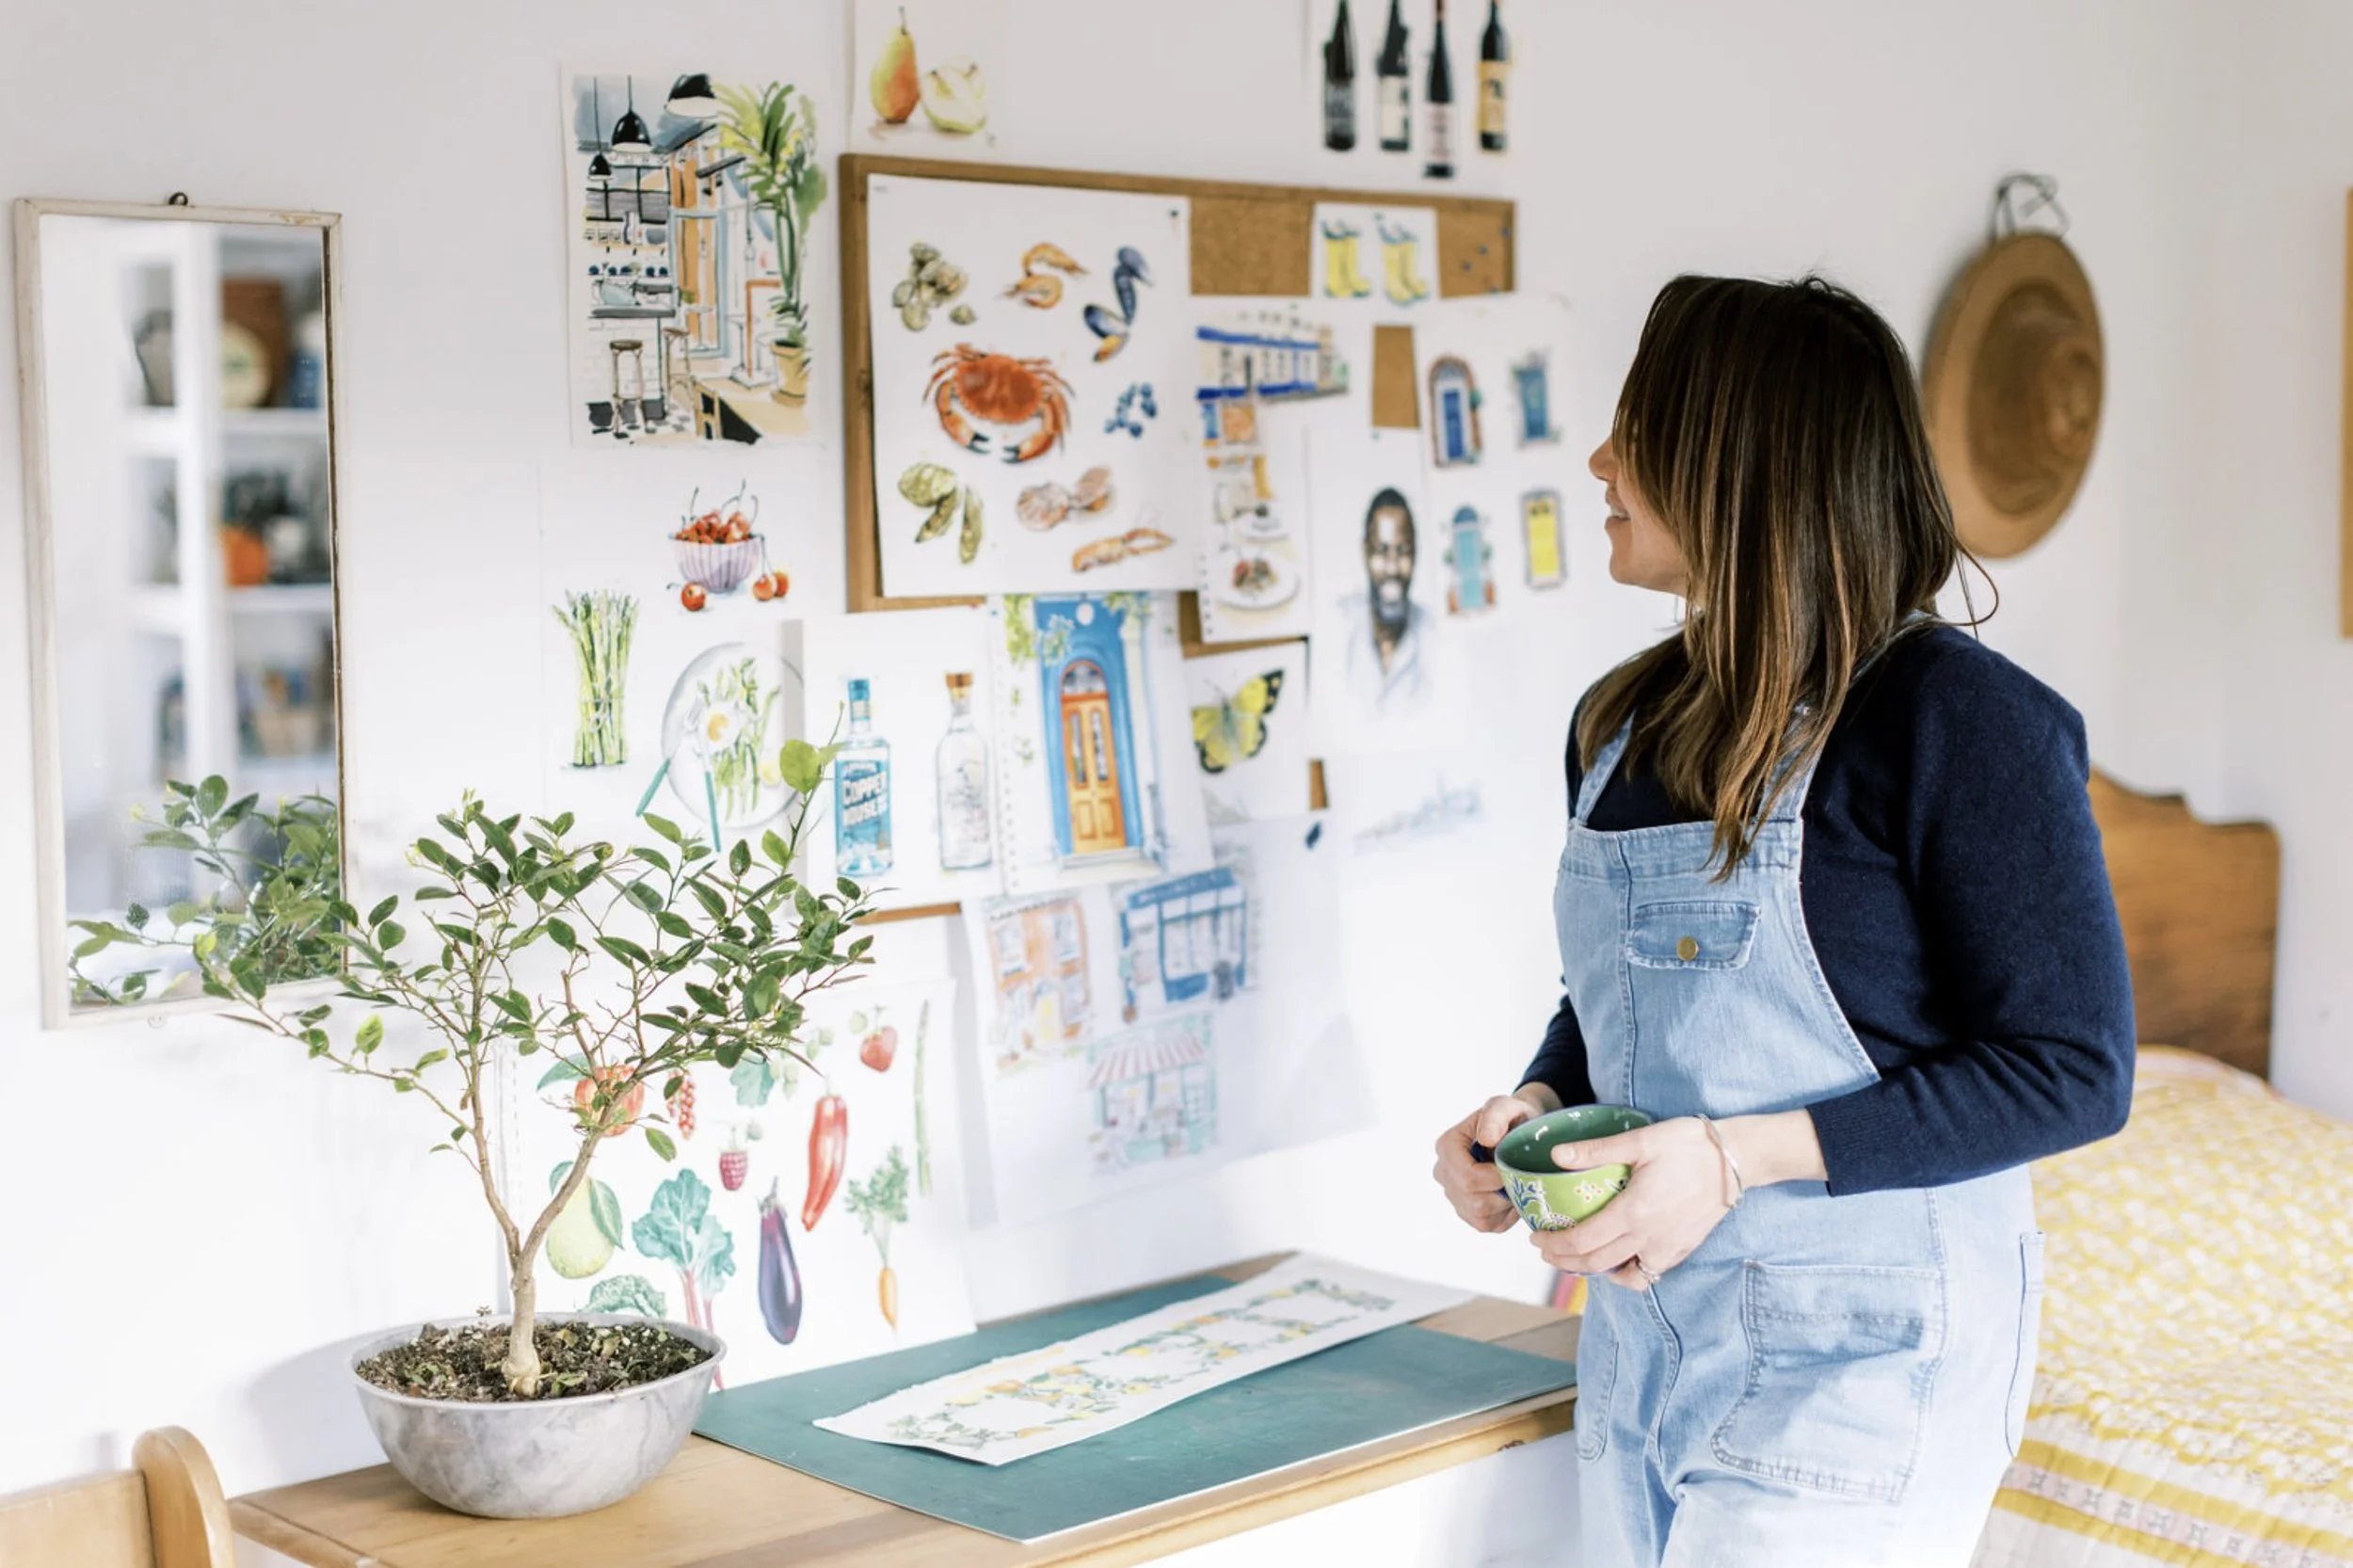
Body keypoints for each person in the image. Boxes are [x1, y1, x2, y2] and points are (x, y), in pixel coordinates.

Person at [1432, 276, 2134, 1568]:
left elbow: (2075, 1069)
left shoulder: (1955, 720)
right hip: (1641, 1341)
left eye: (1634, 429)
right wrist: (1537, 1099)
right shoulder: (1620, 723)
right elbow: (1633, 1001)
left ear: (1738, 459)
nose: (1597, 460)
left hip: (1863, 1367)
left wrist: (1736, 1156)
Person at [1341, 487, 1427, 708]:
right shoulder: (1336, 628)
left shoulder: (1436, 641)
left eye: (1403, 551)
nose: (1392, 568)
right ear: (1365, 552)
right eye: (1381, 551)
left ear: (1416, 553)